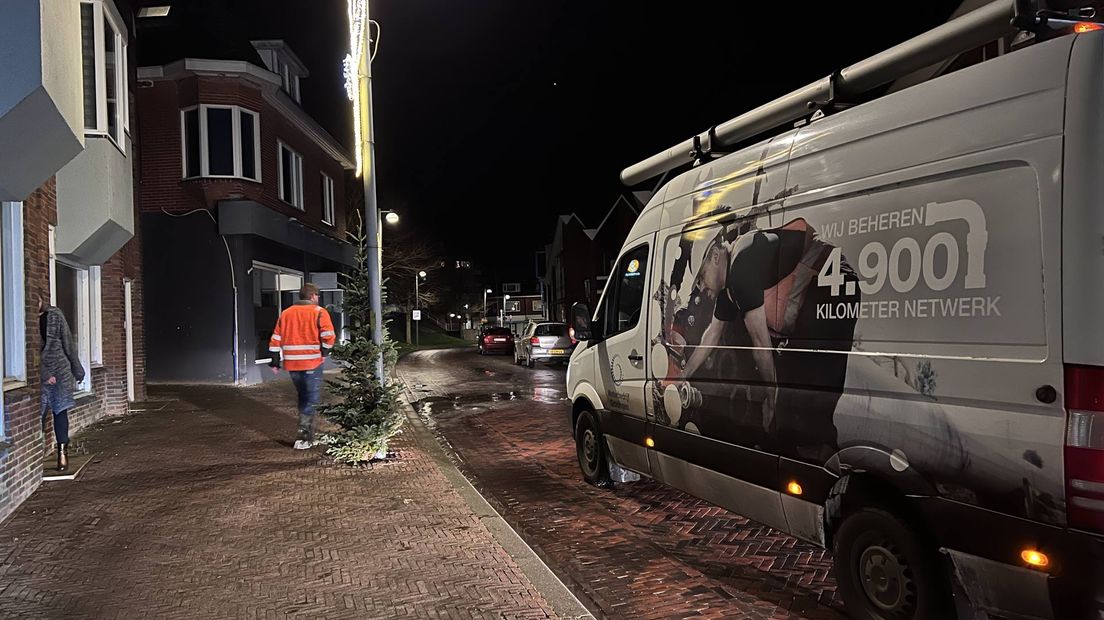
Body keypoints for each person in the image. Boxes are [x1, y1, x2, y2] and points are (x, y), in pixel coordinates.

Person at [679, 219, 859, 462]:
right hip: (815, 293)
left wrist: (771, 399)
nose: (701, 287)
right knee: (792, 407)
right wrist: (683, 377)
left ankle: (828, 470)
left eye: (700, 278)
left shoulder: (741, 267)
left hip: (830, 285)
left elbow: (762, 347)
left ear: (713, 257)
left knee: (806, 406)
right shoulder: (729, 286)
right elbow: (711, 335)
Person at [269, 283, 337, 450]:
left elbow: (276, 337)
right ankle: (303, 437)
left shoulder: (286, 313)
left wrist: (275, 360)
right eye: (318, 296)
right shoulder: (319, 312)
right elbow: (329, 336)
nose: (318, 299)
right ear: (313, 296)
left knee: (304, 397)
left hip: (292, 364)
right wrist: (324, 352)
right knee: (311, 399)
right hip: (311, 362)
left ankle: (308, 435)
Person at [38, 292, 85, 471]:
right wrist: (44, 374)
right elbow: (28, 352)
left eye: (38, 300)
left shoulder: (55, 315)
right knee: (38, 415)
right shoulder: (23, 318)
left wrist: (77, 369)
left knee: (60, 411)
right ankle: (37, 455)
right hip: (40, 373)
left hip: (60, 369)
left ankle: (62, 455)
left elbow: (67, 342)